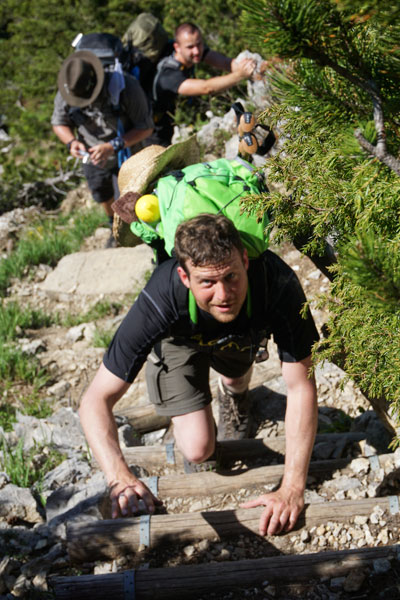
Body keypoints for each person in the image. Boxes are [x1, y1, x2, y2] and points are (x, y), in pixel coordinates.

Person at [79, 213, 319, 536]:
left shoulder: (276, 282)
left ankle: (233, 393)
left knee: (235, 376)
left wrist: (292, 488)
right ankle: (207, 401)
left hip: (241, 332)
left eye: (231, 276)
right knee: (197, 447)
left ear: (245, 260)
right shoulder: (162, 295)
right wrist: (119, 477)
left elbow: (302, 386)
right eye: (207, 282)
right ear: (184, 276)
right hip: (180, 340)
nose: (223, 294)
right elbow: (95, 399)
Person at [51, 47, 154, 245]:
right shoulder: (69, 88)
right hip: (90, 152)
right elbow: (59, 122)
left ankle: (137, 232)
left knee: (127, 200)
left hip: (127, 151)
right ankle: (112, 227)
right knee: (101, 192)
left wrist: (112, 146)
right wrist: (71, 142)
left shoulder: (126, 87)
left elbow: (146, 127)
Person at [151, 22, 257, 145]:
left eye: (199, 44)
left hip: (171, 118)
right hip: (153, 128)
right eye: (190, 47)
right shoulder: (168, 75)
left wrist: (249, 67)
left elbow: (225, 63)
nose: (196, 51)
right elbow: (206, 88)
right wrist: (239, 75)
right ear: (177, 47)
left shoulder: (192, 53)